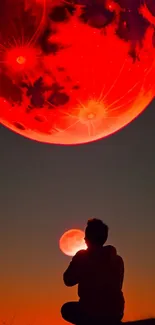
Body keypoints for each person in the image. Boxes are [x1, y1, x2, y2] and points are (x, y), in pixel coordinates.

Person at [61, 218, 125, 325]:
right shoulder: (117, 259)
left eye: (86, 235)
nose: (84, 238)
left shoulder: (83, 257)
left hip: (91, 311)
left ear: (89, 238)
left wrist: (78, 260)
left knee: (66, 309)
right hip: (116, 311)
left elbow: (68, 280)